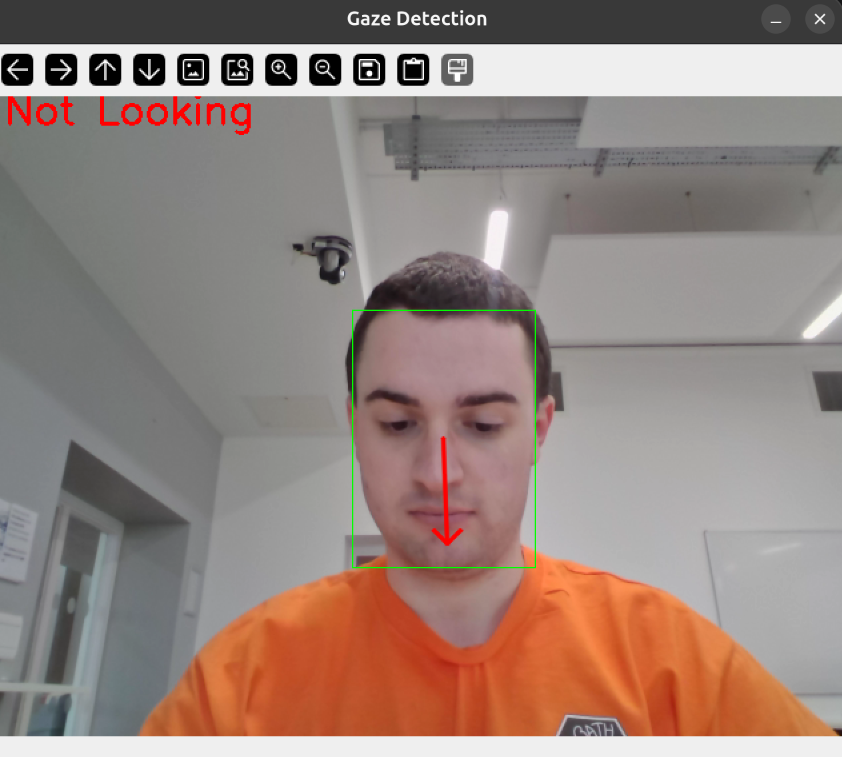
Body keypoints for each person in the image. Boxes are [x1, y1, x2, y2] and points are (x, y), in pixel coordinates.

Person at [140, 252, 837, 736]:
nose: (437, 472)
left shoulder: (667, 657)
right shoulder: (245, 677)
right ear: (356, 427)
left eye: (481, 425)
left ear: (538, 429)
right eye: (398, 424)